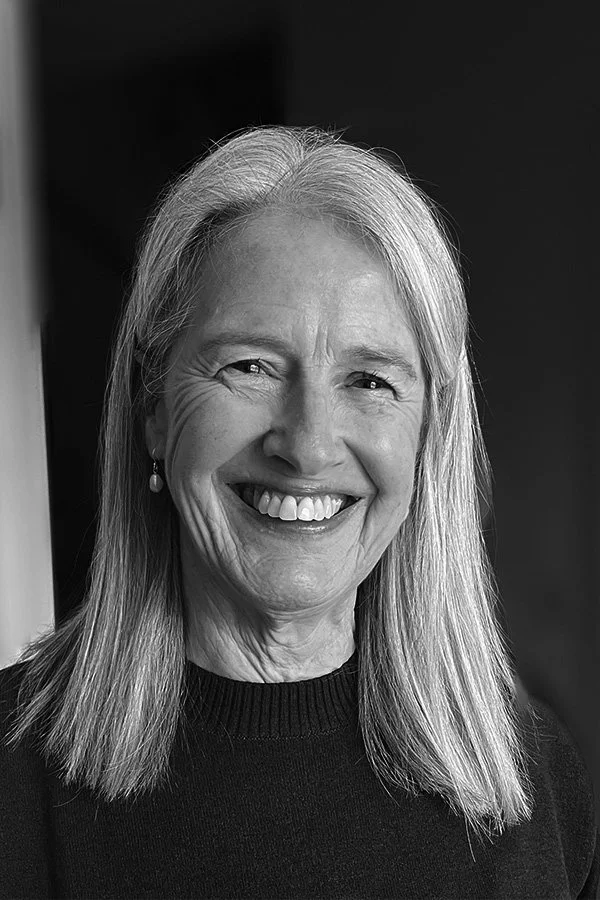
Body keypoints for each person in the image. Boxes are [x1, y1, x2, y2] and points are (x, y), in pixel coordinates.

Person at [1, 125, 598, 899]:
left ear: (429, 434)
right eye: (251, 365)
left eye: (370, 380)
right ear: (153, 404)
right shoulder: (14, 783)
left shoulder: (534, 785)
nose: (308, 446)